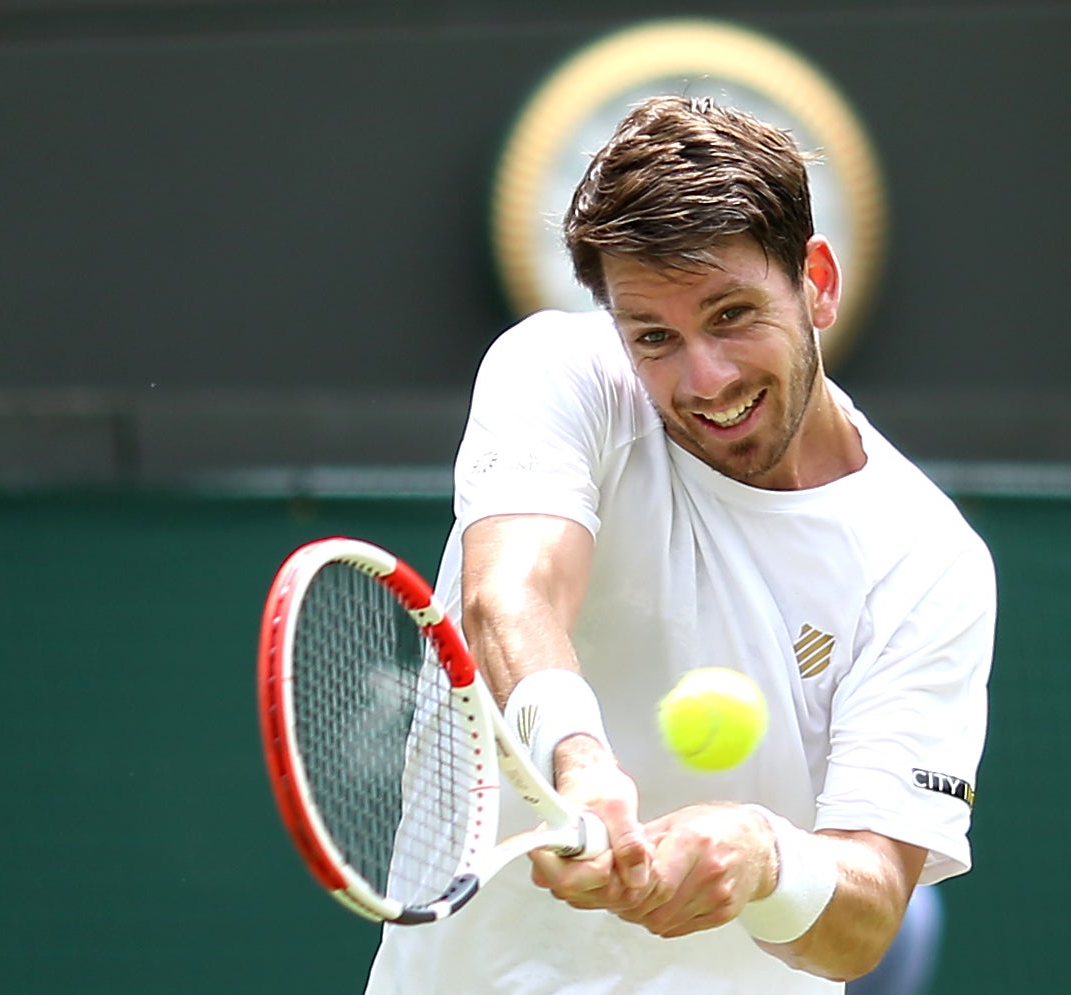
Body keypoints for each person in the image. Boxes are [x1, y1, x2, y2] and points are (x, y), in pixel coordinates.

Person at [366, 95, 994, 995]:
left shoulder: (926, 560)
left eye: (731, 314)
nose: (705, 379)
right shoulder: (558, 374)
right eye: (654, 337)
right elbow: (510, 591)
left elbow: (864, 920)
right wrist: (576, 761)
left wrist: (763, 857)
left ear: (816, 282)